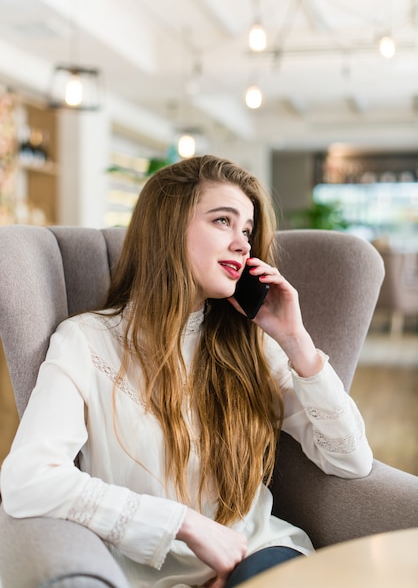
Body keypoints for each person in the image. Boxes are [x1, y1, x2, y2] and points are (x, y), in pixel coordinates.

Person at [0, 155, 373, 588]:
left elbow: (351, 461)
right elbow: (28, 478)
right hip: (143, 573)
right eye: (222, 221)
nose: (242, 244)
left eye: (247, 230)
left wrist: (295, 341)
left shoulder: (253, 347)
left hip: (257, 554)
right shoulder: (85, 342)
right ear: (168, 228)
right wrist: (185, 525)